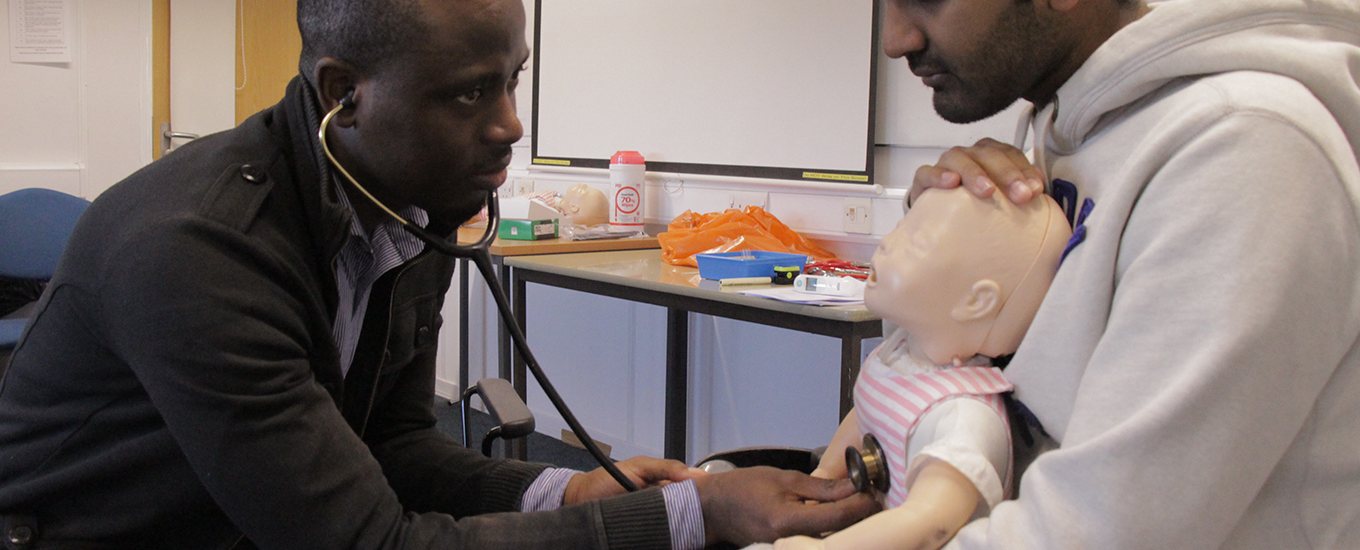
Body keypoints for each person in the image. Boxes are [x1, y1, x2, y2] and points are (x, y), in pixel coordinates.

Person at [0, 0, 876, 547]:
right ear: (346, 91)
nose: (511, 126)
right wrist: (697, 516)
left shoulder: (405, 202)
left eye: (514, 81)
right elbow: (367, 543)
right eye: (467, 93)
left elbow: (391, 444)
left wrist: (563, 486)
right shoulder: (198, 250)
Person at [887, 0, 1359, 548]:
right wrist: (937, 235)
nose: (895, 40)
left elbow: (1096, 530)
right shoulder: (1057, 129)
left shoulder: (1243, 144)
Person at [775, 187, 1070, 550]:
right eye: (900, 228)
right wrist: (819, 483)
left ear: (976, 301)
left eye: (915, 242)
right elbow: (866, 416)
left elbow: (930, 522)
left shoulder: (963, 417)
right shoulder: (899, 354)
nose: (885, 244)